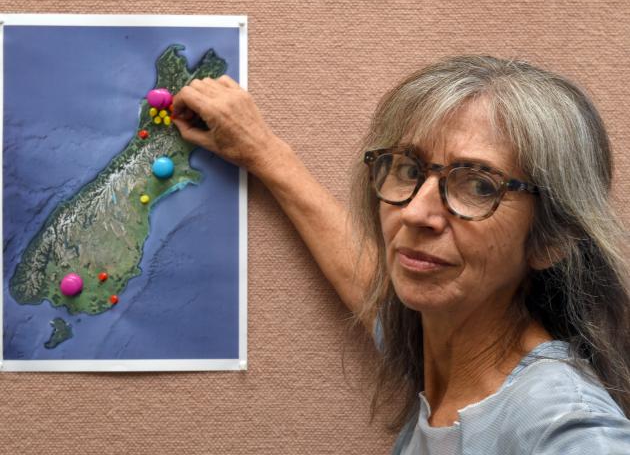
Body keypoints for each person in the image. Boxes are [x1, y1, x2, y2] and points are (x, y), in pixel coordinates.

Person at [171, 55, 630, 453]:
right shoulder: (442, 344)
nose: (415, 212)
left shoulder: (564, 423)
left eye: (478, 185)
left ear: (552, 239)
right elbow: (370, 282)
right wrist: (265, 154)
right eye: (409, 169)